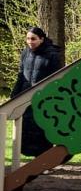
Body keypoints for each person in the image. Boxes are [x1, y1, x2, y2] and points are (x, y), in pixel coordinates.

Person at [11, 27, 63, 157]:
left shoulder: (53, 55)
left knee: (42, 127)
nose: (30, 41)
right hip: (25, 97)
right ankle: (29, 156)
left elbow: (57, 79)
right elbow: (21, 75)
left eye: (33, 39)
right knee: (26, 127)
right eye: (28, 38)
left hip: (43, 98)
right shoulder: (25, 53)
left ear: (41, 39)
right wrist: (14, 94)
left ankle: (43, 158)